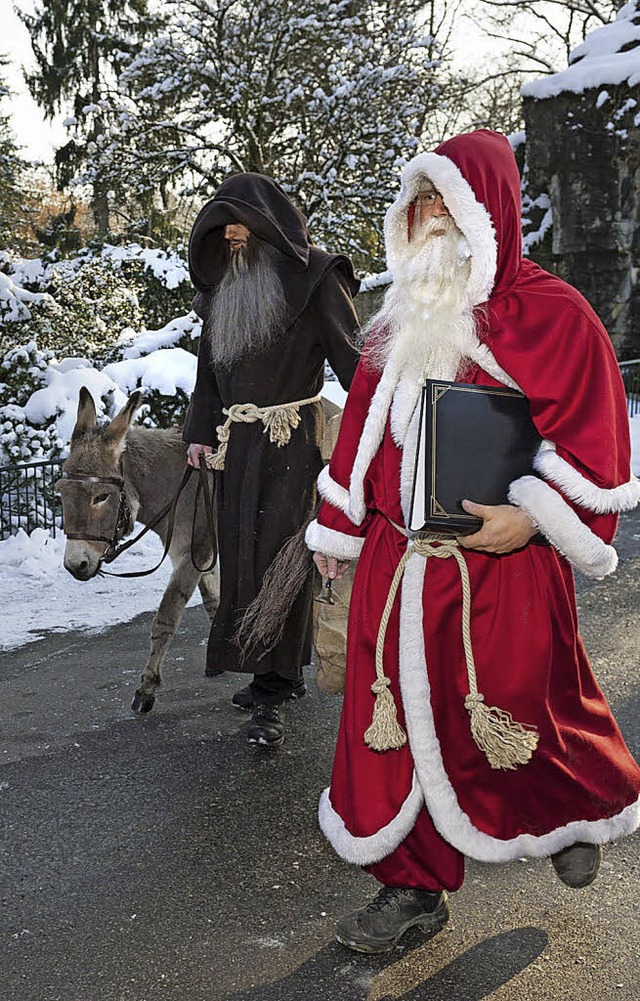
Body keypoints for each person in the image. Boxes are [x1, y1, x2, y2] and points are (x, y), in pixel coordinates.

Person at [306, 129, 640, 953]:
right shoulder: (394, 325)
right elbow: (361, 437)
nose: (424, 223)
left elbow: (595, 447)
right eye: (413, 207)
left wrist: (530, 515)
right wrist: (339, 530)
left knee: (527, 716)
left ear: (482, 215)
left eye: (442, 205)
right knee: (391, 729)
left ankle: (572, 815)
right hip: (395, 569)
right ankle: (411, 889)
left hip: (503, 571)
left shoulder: (554, 316)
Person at [183, 173, 360, 748]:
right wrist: (199, 430)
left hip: (291, 441)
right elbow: (209, 372)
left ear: (269, 229)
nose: (234, 244)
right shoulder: (222, 290)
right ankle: (266, 670)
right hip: (238, 446)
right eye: (226, 237)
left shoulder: (316, 280)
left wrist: (375, 433)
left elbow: (357, 365)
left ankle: (276, 688)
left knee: (281, 558)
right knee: (241, 558)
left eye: (243, 235)